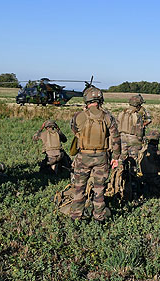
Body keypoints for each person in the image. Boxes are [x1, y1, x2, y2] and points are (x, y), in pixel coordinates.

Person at [69, 86, 121, 222]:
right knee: (100, 189)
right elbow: (115, 139)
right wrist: (116, 158)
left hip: (83, 157)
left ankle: (76, 217)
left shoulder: (79, 116)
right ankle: (99, 217)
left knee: (79, 187)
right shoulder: (108, 117)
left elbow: (74, 131)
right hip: (102, 157)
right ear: (100, 100)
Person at [117, 94, 152, 160]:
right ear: (138, 105)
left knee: (122, 158)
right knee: (133, 159)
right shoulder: (137, 115)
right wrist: (141, 139)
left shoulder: (122, 113)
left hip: (122, 138)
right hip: (133, 139)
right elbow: (139, 132)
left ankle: (120, 169)